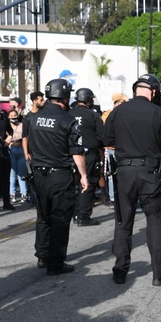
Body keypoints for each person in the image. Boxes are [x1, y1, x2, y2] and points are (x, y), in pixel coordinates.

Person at [103, 74, 161, 286]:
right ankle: (159, 274)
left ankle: (120, 270)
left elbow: (107, 140)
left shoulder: (118, 111)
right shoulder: (158, 112)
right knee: (154, 221)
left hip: (125, 171)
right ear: (153, 92)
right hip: (150, 172)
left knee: (123, 221)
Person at [25, 79, 88, 275]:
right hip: (59, 174)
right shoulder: (67, 120)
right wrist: (84, 176)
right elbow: (77, 151)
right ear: (65, 96)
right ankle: (56, 262)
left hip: (39, 174)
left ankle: (43, 255)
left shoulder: (35, 118)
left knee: (43, 216)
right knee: (60, 218)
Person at [67, 87, 105, 226]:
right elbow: (102, 136)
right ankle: (83, 216)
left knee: (72, 185)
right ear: (88, 100)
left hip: (69, 154)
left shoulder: (68, 114)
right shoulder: (93, 115)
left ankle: (73, 213)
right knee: (87, 184)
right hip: (87, 154)